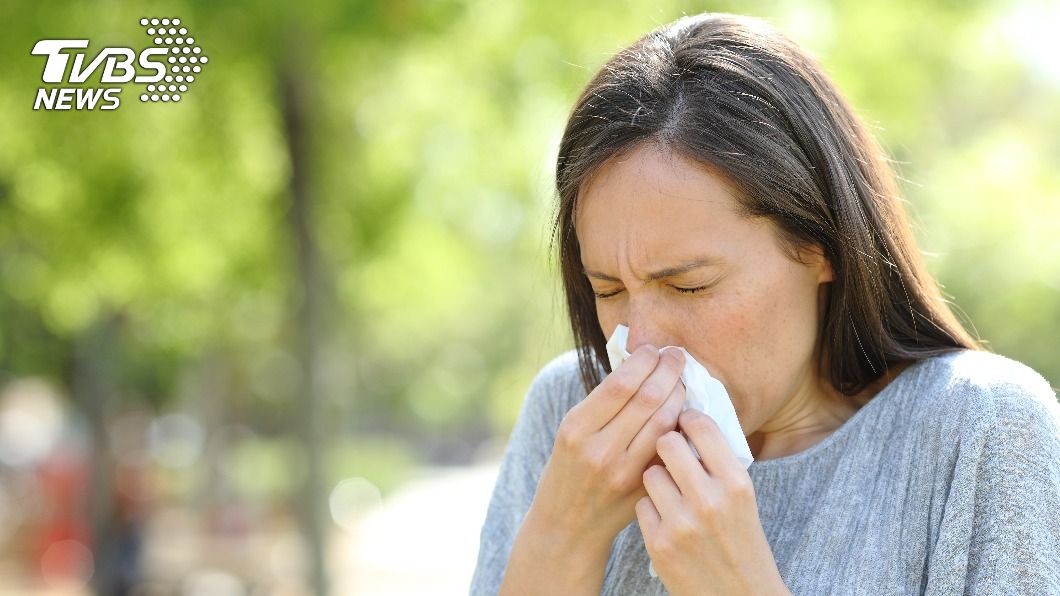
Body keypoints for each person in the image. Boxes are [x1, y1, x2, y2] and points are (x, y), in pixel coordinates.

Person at [470, 12, 1060, 596]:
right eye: (608, 290)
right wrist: (563, 533)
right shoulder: (569, 419)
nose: (640, 340)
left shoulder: (978, 430)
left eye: (689, 286)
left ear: (821, 245)